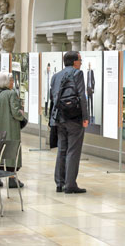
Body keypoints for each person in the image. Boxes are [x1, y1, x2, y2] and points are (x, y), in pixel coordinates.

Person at [50, 51, 88, 194]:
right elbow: (82, 96)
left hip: (59, 117)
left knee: (62, 150)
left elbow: (53, 98)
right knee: (73, 150)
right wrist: (85, 117)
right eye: (80, 60)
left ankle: (59, 183)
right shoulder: (77, 74)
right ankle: (70, 184)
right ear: (74, 62)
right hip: (74, 118)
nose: (81, 62)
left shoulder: (55, 76)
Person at [0, 71, 25, 188]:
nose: (13, 82)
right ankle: (12, 179)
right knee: (10, 150)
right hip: (10, 127)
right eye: (11, 80)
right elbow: (15, 112)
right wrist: (21, 115)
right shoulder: (11, 94)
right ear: (6, 82)